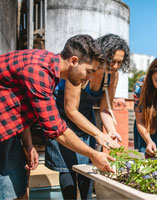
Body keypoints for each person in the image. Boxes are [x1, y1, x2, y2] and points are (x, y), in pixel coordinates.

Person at [0, 34, 116, 200]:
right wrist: (93, 155)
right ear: (74, 60)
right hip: (4, 133)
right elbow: (56, 129)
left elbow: (18, 107)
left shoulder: (48, 67)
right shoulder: (38, 71)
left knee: (19, 187)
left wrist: (28, 144)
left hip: (8, 131)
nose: (89, 78)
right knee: (12, 193)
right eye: (89, 71)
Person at [45, 34, 130, 200]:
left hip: (86, 117)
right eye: (111, 60)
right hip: (63, 117)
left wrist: (110, 130)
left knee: (88, 164)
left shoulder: (112, 75)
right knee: (67, 167)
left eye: (119, 62)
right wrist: (98, 134)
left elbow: (105, 108)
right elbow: (71, 110)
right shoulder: (81, 70)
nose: (114, 66)